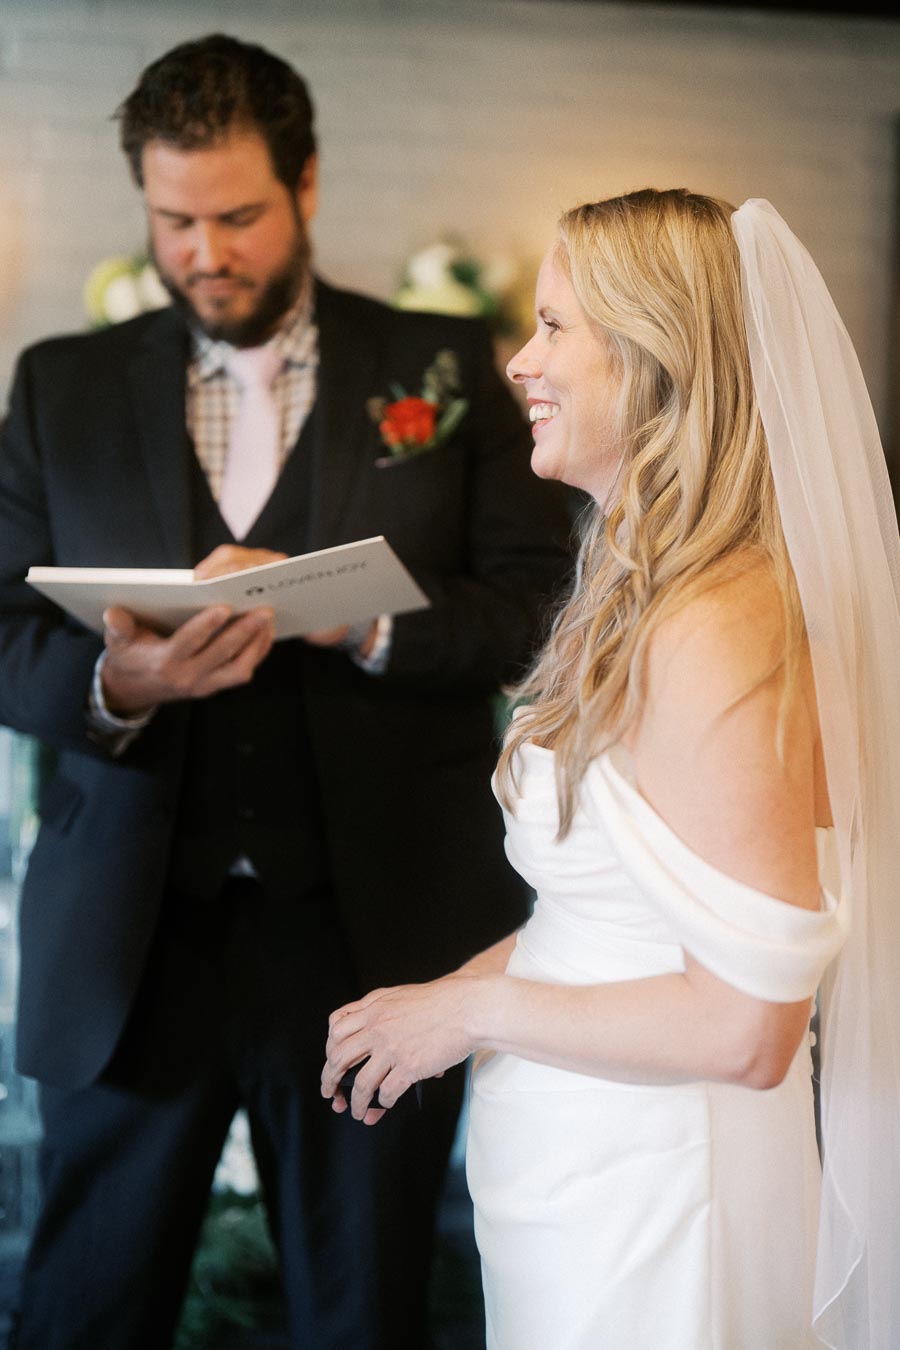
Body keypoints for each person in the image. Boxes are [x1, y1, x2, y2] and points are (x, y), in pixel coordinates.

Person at [0, 33, 571, 1350]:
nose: (206, 251)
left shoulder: (441, 366)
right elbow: (5, 631)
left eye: (239, 215)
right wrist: (113, 679)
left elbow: (538, 607)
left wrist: (370, 620)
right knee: (83, 1310)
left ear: (306, 184)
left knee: (363, 1312)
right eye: (174, 219)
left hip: (377, 940)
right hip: (133, 951)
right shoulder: (60, 387)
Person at [322, 189, 900, 1348]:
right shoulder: (643, 597)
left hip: (667, 1199)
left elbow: (749, 1028)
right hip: (583, 1182)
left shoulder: (721, 626)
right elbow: (601, 916)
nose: (518, 364)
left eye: (551, 328)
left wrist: (472, 1011)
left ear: (654, 356)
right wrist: (437, 1000)